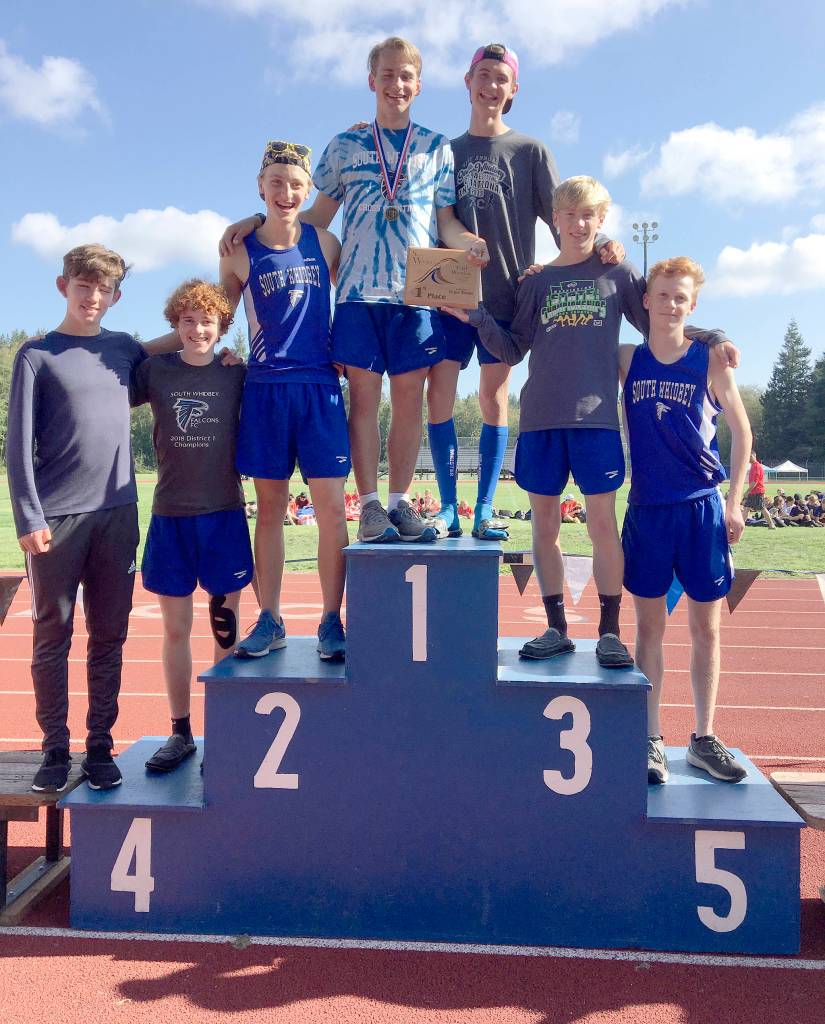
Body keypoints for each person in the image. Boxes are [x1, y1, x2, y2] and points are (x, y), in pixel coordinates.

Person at [444, 177, 736, 669]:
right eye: (570, 215)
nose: (579, 224)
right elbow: (513, 349)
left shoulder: (617, 271)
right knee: (544, 526)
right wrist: (475, 318)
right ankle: (556, 627)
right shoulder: (535, 281)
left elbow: (660, 320)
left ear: (601, 221)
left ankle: (609, 631)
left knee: (602, 524)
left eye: (589, 216)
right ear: (555, 219)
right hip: (540, 420)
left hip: (596, 421)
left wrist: (714, 336)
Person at [220, 37, 489, 544]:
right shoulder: (345, 146)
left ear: (419, 84)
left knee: (408, 401)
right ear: (372, 81)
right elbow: (314, 218)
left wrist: (469, 243)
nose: (396, 84)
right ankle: (368, 506)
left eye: (405, 76)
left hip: (415, 296)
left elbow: (447, 223)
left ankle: (399, 502)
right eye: (387, 75)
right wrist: (257, 219)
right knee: (365, 401)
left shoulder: (437, 148)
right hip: (357, 295)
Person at [425, 43, 622, 540]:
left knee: (493, 396)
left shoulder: (530, 151)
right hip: (451, 293)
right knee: (439, 393)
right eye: (483, 75)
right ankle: (447, 507)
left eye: (501, 79)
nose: (491, 86)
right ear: (468, 81)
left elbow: (563, 222)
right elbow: (430, 217)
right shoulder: (444, 152)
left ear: (513, 90)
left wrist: (600, 247)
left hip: (508, 295)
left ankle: (484, 506)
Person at [7, 245, 144, 792]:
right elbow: (17, 446)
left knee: (109, 636)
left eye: (103, 289)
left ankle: (101, 745)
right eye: (83, 286)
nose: (93, 296)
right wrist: (28, 516)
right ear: (63, 286)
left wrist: (222, 355)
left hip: (118, 515)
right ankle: (55, 748)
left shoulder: (125, 349)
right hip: (56, 519)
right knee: (52, 636)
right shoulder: (36, 355)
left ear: (116, 296)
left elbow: (176, 363)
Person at [218, 140, 351, 661]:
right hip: (266, 389)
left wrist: (348, 349)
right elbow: (217, 319)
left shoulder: (327, 243)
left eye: (296, 184)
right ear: (260, 186)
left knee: (332, 510)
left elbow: (354, 301)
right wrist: (209, 354)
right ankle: (270, 617)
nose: (286, 192)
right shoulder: (238, 250)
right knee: (270, 509)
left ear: (308, 189)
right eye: (275, 182)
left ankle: (331, 619)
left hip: (319, 388)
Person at [619, 256, 750, 784]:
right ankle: (651, 738)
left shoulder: (710, 361)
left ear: (692, 306)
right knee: (649, 628)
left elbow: (742, 433)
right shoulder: (627, 359)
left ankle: (703, 736)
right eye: (663, 295)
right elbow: (575, 344)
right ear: (645, 301)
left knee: (706, 628)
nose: (671, 304)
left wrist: (734, 502)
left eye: (681, 297)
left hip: (700, 506)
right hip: (648, 509)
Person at [132, 280, 253, 772]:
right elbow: (112, 370)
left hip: (224, 515)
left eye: (207, 321)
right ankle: (180, 732)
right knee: (176, 629)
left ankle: (226, 732)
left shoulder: (236, 372)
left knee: (225, 630)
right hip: (171, 516)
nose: (198, 329)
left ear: (221, 326)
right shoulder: (155, 371)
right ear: (175, 324)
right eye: (188, 320)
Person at [742, 452, 775, 528]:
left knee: (762, 508)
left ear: (753, 456)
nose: (747, 459)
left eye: (749, 457)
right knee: (746, 508)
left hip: (758, 491)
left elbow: (755, 481)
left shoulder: (757, 466)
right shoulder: (753, 466)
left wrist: (747, 491)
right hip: (753, 491)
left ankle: (771, 524)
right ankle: (741, 525)